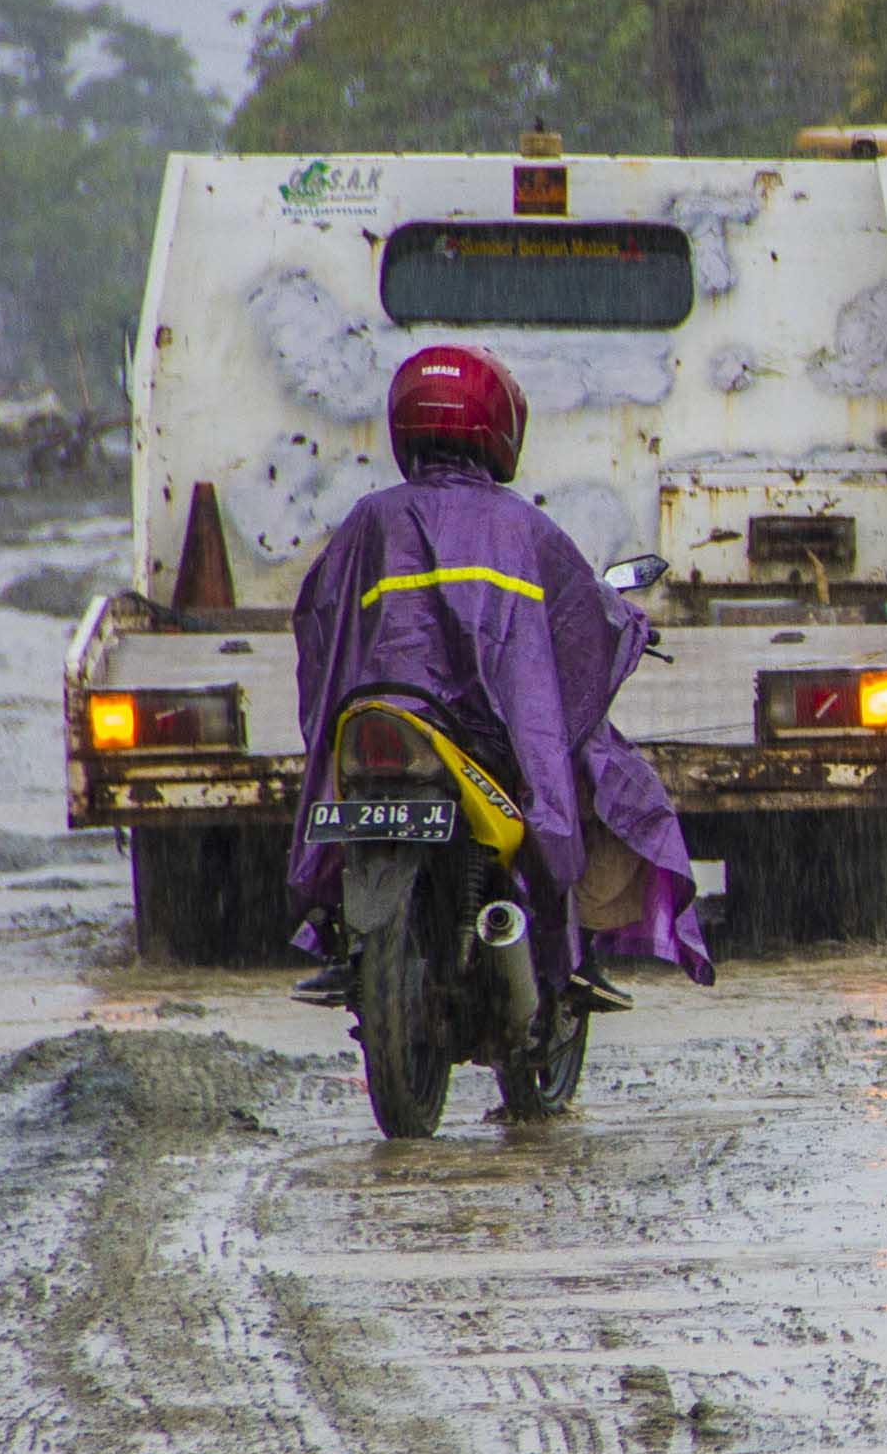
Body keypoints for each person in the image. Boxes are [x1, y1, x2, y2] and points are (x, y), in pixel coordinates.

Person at [288, 343, 714, 1012]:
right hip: (487, 738)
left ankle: (343, 935)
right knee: (593, 775)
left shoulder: (371, 518)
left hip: (387, 719)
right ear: (500, 428)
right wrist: (628, 626)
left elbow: (319, 623)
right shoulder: (524, 527)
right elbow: (583, 623)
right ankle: (564, 953)